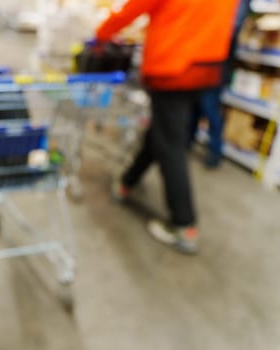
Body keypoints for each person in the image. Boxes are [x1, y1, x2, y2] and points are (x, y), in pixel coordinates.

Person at [96, 0, 238, 254]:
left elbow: (132, 8)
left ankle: (184, 224)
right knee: (163, 132)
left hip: (173, 64)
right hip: (206, 66)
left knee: (170, 143)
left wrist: (101, 34)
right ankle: (127, 182)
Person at [190, 0, 252, 168]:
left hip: (216, 64)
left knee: (210, 107)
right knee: (198, 104)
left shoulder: (235, 7)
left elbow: (228, 30)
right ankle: (188, 141)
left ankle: (214, 152)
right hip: (205, 62)